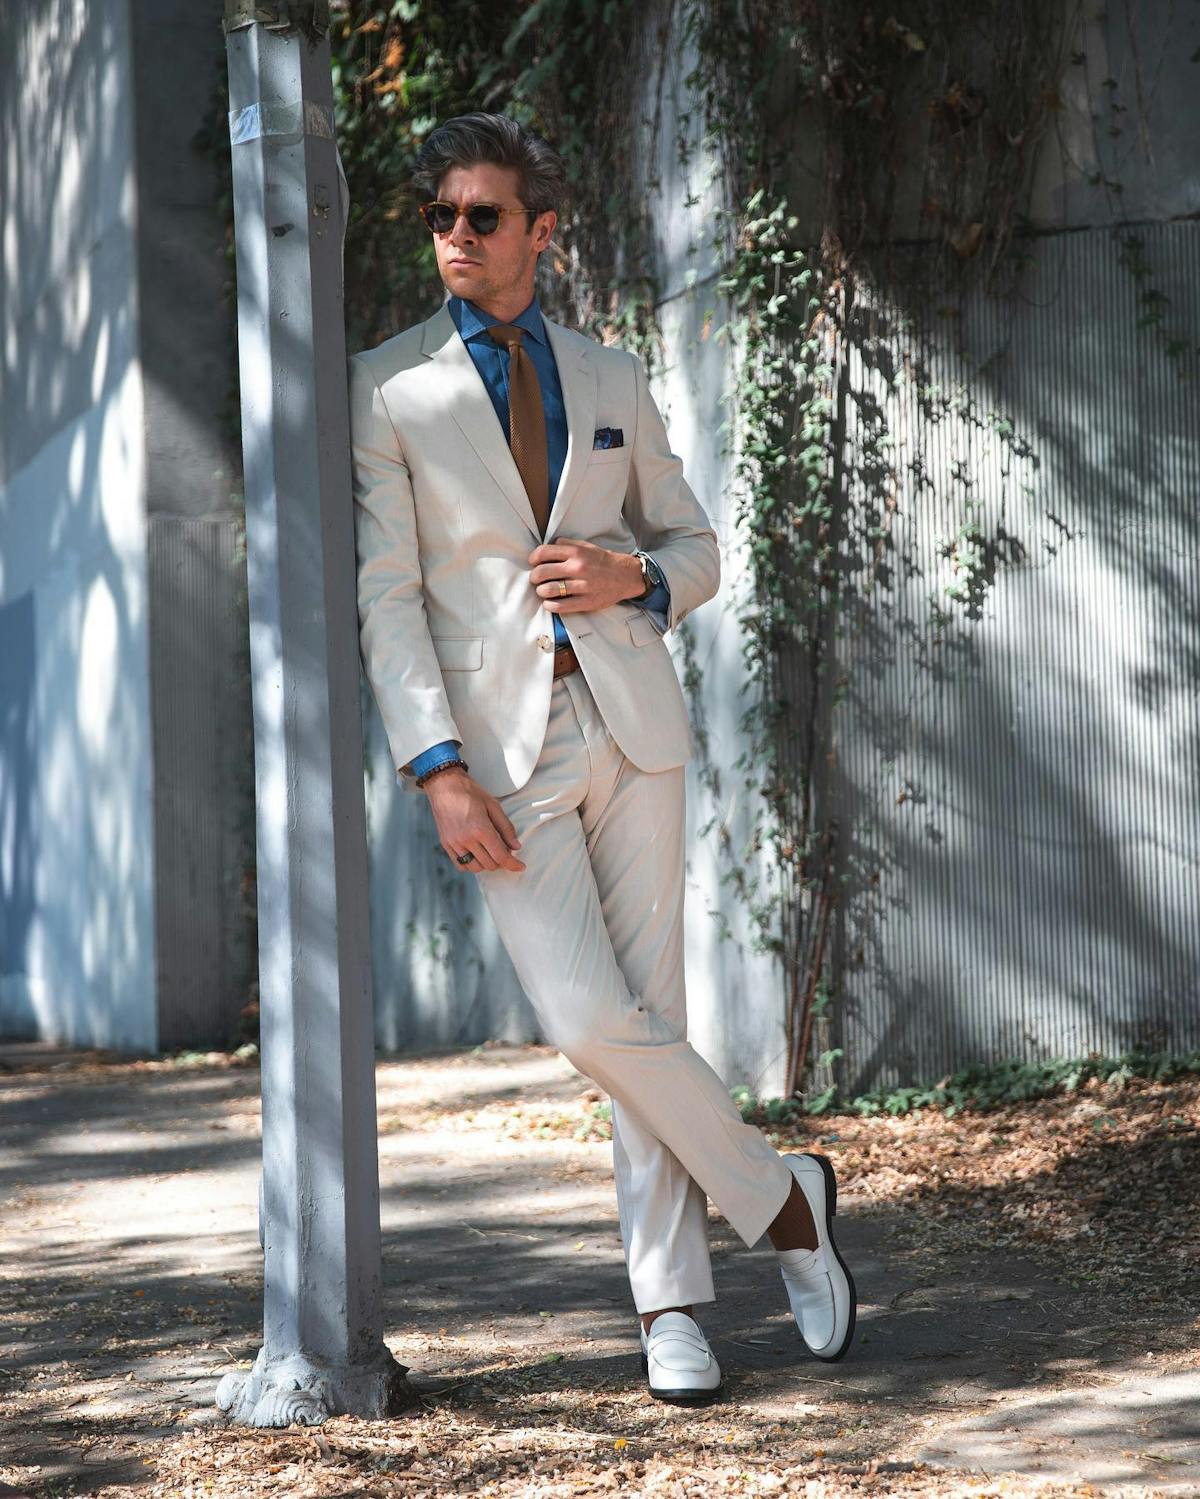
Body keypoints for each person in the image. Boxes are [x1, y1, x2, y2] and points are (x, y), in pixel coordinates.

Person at [348, 112, 855, 1401]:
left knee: (651, 1016)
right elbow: (388, 594)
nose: (456, 235)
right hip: (500, 754)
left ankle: (671, 1308)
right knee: (587, 1018)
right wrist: (435, 767)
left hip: (632, 722)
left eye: (483, 215)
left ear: (539, 232)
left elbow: (696, 550)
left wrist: (634, 576)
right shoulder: (388, 387)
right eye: (440, 215)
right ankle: (788, 1206)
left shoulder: (610, 374)